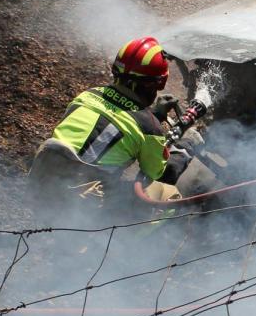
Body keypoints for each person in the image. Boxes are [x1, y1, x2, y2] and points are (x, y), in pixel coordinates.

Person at [27, 37, 199, 220]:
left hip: (41, 188)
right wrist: (184, 146)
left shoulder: (87, 95)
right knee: (167, 194)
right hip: (82, 210)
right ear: (157, 83)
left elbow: (112, 120)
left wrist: (152, 116)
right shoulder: (148, 127)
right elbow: (156, 172)